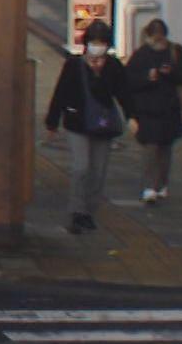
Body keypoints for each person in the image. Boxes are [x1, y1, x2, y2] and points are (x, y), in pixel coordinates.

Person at [43, 20, 131, 234]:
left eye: (101, 43)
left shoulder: (113, 66)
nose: (97, 46)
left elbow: (123, 94)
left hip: (103, 125)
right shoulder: (74, 65)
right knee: (81, 167)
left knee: (98, 171)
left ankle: (90, 211)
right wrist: (52, 122)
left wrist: (133, 116)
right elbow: (61, 92)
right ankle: (77, 211)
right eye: (94, 42)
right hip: (77, 122)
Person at [124, 17, 182, 206]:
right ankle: (151, 186)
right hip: (148, 111)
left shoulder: (176, 52)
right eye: (155, 38)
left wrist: (171, 73)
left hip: (170, 110)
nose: (159, 42)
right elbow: (129, 82)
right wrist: (147, 78)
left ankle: (161, 185)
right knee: (151, 149)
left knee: (165, 149)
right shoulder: (141, 55)